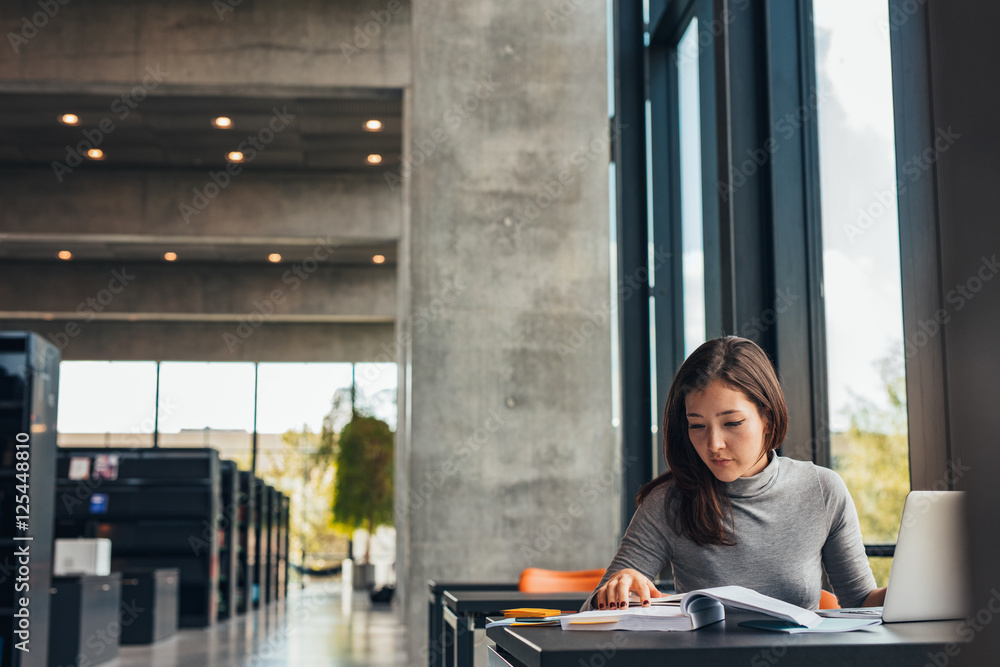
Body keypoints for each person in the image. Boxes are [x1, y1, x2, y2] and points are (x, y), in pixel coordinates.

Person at [586, 335, 887, 611]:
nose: (714, 444)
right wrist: (618, 586)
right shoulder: (670, 501)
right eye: (697, 425)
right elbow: (590, 616)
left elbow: (861, 602)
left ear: (766, 418)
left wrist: (918, 589)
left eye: (732, 423)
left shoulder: (821, 490)